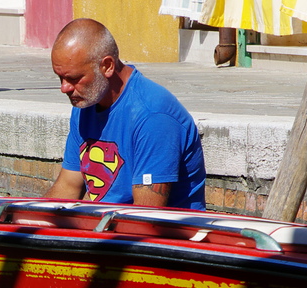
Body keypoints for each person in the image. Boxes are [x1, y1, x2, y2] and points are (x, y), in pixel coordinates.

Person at [45, 18, 206, 209]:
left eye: (73, 78)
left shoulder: (153, 116)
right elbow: (67, 187)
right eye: (60, 78)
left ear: (107, 66)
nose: (64, 88)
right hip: (105, 222)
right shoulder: (85, 104)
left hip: (154, 226)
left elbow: (145, 215)